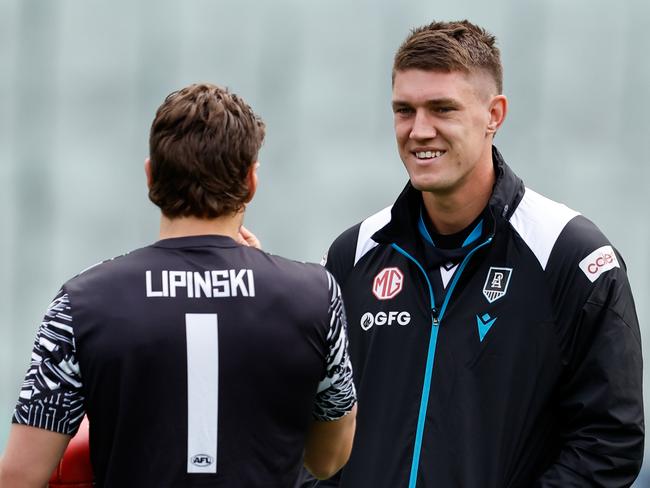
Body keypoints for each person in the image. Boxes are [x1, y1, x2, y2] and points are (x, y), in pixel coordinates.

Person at [316, 20, 644, 487]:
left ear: (495, 114)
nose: (419, 130)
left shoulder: (571, 255)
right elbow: (316, 421)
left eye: (442, 109)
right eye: (404, 110)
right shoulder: (354, 252)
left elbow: (609, 444)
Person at [0, 83, 357, 487]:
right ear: (251, 182)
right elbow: (328, 459)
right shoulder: (315, 295)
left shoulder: (80, 303)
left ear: (151, 176)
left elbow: (19, 478)